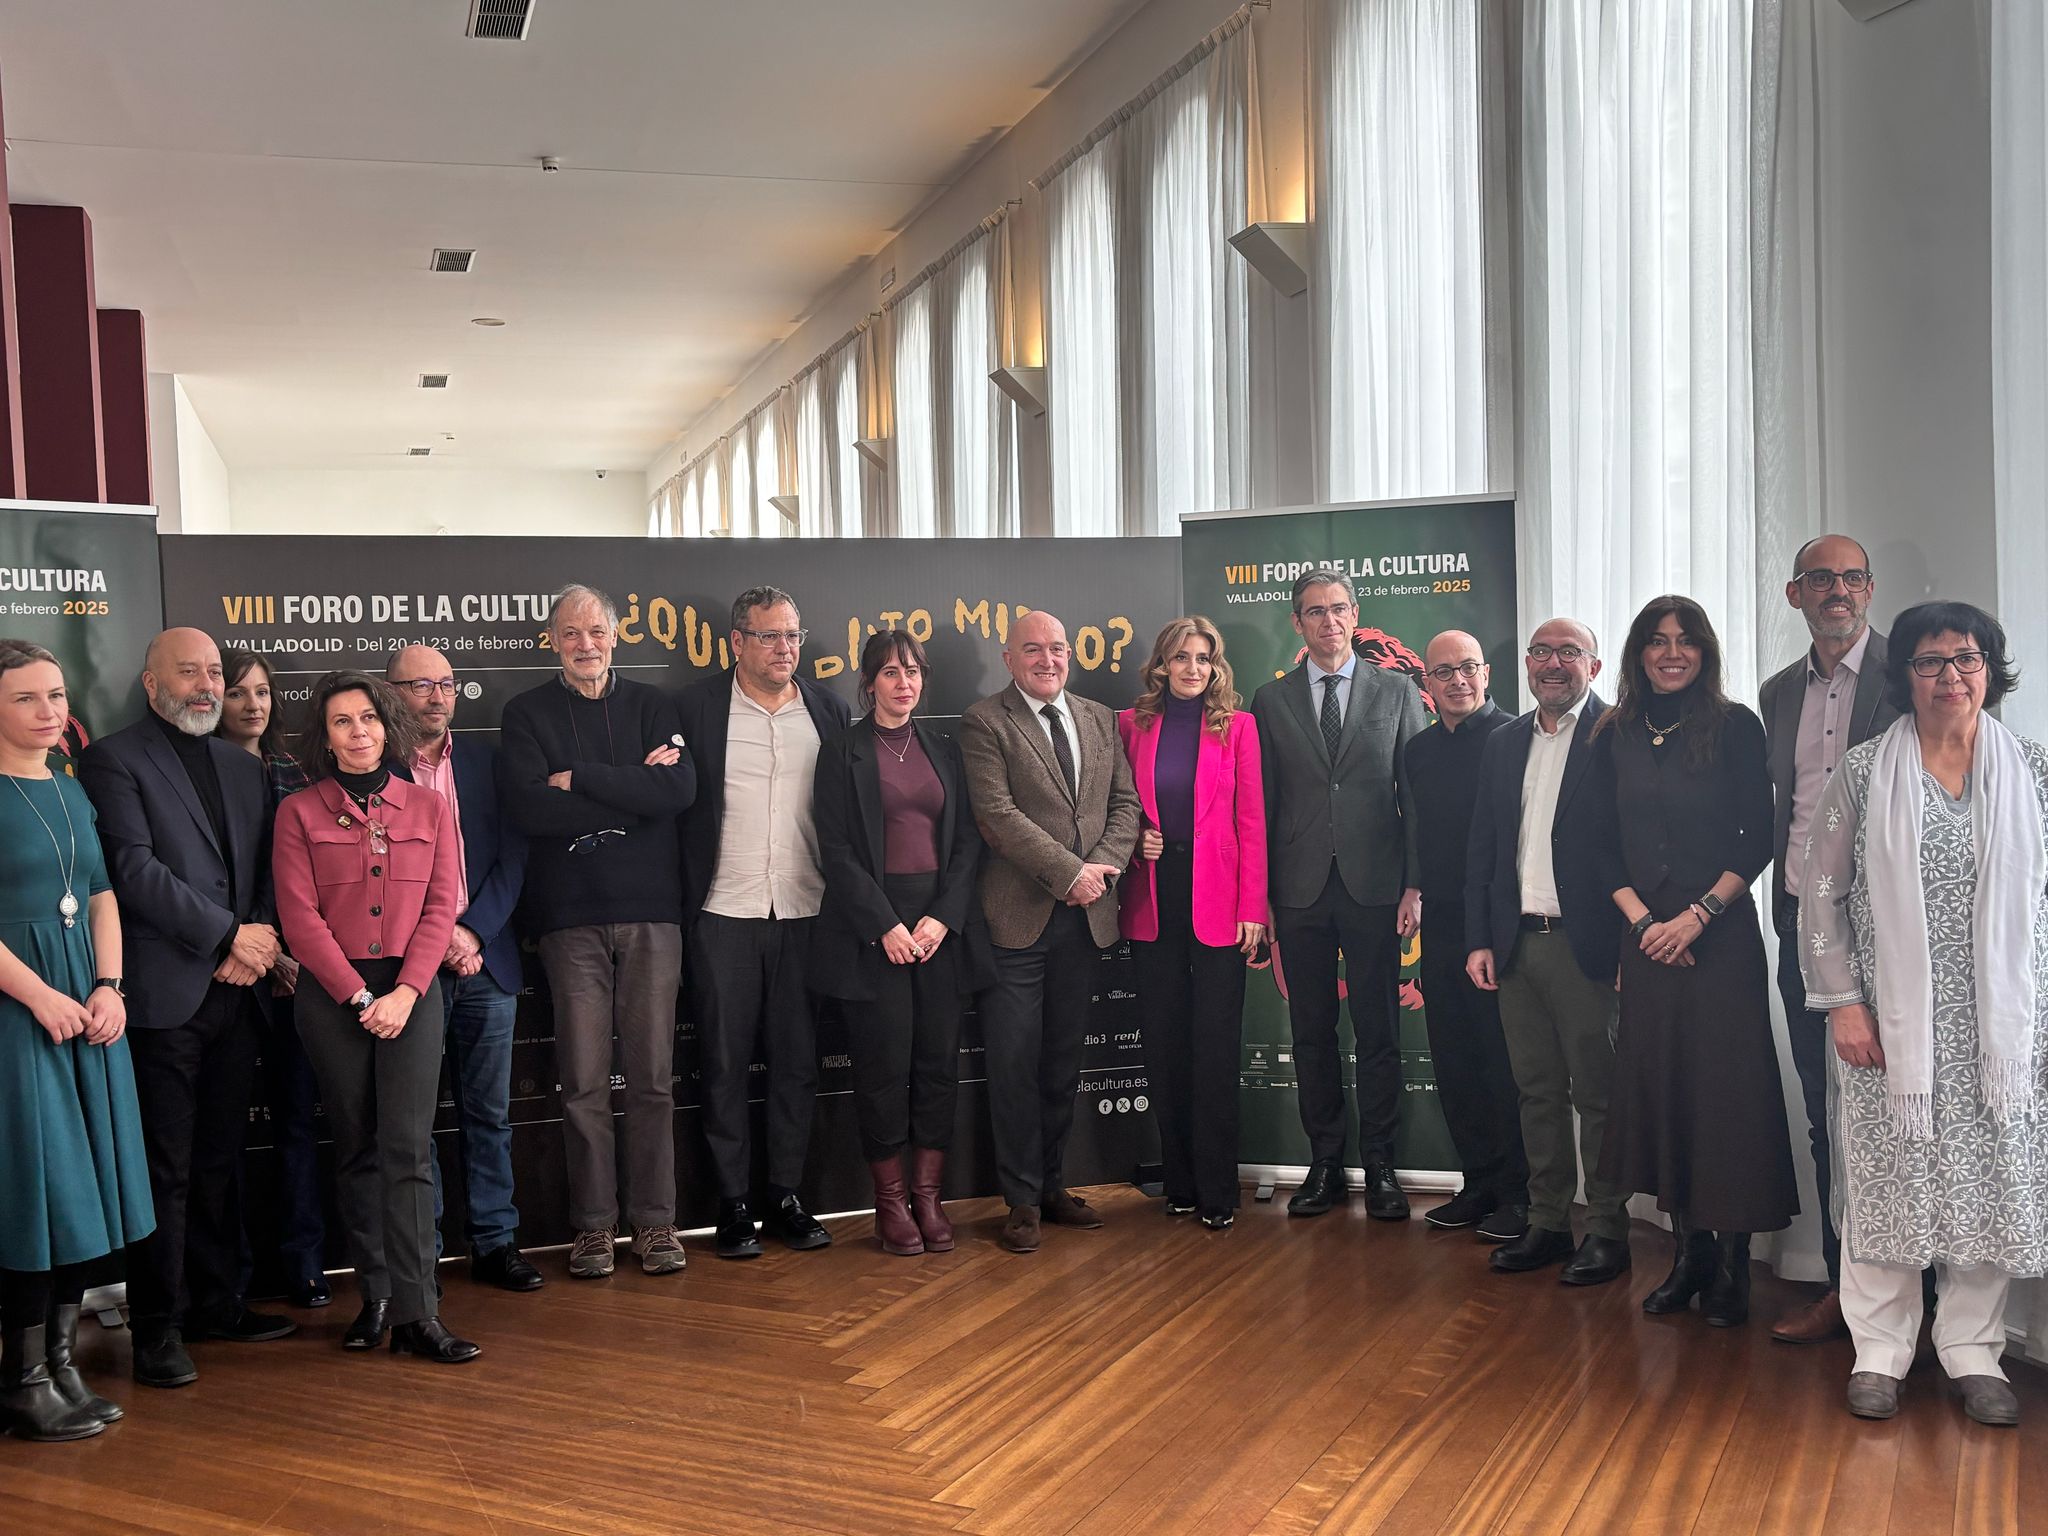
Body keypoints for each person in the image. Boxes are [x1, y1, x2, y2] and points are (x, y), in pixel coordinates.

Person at [1801, 601, 2048, 1427]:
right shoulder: (1864, 773)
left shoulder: (2034, 772)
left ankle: (1974, 1350)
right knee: (1888, 1180)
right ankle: (1880, 1350)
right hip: (1889, 1030)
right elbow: (1820, 896)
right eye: (1930, 662)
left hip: (1999, 1035)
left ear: (1991, 669)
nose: (1950, 677)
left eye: (1967, 659)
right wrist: (1842, 1004)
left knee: (1987, 1183)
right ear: (1903, 677)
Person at [79, 629, 296, 1391]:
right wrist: (230, 935)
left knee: (218, 1163)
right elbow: (132, 870)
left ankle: (217, 1305)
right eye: (189, 672)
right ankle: (157, 1331)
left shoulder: (243, 766)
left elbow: (270, 866)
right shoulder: (112, 758)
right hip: (164, 998)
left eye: (214, 673)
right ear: (150, 682)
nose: (206, 686)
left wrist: (257, 943)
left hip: (238, 993)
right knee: (164, 1171)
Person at [1593, 597, 1796, 1326]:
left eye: (1685, 641)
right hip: (1645, 940)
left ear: (1705, 652)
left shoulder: (1736, 725)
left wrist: (1696, 917)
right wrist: (1647, 923)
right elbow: (1594, 844)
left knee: (1726, 1098)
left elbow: (1758, 836)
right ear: (1637, 652)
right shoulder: (1611, 732)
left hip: (1718, 937)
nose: (1670, 653)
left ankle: (1733, 1263)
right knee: (1664, 1090)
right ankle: (1689, 1256)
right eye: (1656, 641)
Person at [273, 670, 477, 1363]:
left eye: (367, 719)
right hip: (335, 999)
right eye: (342, 722)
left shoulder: (429, 808)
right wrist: (360, 999)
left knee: (408, 1151)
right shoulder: (297, 813)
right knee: (357, 1147)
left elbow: (440, 906)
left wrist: (405, 993)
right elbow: (298, 921)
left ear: (386, 727)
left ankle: (421, 1313)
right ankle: (377, 1297)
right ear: (324, 738)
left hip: (411, 992)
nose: (358, 732)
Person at [500, 585, 696, 1279]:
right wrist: (628, 791)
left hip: (652, 914)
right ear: (551, 641)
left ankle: (656, 1225)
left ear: (616, 636)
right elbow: (529, 810)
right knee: (581, 1081)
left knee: (651, 1079)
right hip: (568, 921)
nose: (586, 644)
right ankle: (591, 1230)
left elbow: (675, 794)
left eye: (597, 631)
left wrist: (577, 779)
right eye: (571, 633)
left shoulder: (654, 706)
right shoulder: (524, 715)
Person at [0, 640, 153, 1442]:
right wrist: (40, 997)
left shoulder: (66, 787)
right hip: (18, 1012)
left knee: (84, 1189)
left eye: (56, 695)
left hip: (85, 1005)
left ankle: (60, 1365)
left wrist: (108, 987)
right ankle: (22, 1378)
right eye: (28, 697)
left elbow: (99, 895)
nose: (51, 710)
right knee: (37, 1191)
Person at [1247, 570, 1426, 1220]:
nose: (1328, 622)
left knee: (1378, 1033)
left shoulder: (1399, 691)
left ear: (1356, 615)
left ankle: (1380, 1164)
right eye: (1314, 612)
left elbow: (1416, 798)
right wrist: (1260, 896)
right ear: (1298, 623)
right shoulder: (1271, 701)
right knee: (1312, 1032)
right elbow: (1261, 805)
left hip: (1377, 886)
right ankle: (1325, 1164)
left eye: (1338, 610)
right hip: (1298, 891)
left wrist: (1414, 883)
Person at [961, 608, 1140, 1254]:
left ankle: (1053, 1186)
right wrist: (1069, 873)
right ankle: (1020, 1200)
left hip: (1085, 923)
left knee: (1063, 1064)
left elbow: (1126, 805)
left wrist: (1104, 869)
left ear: (1072, 654)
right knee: (1013, 1068)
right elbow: (997, 817)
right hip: (1018, 924)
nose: (1047, 660)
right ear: (1008, 659)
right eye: (1032, 650)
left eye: (1057, 648)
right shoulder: (986, 722)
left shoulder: (1099, 718)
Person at [812, 631, 992, 1255]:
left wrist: (943, 917)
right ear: (868, 683)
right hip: (873, 931)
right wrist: (882, 924)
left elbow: (968, 841)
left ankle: (928, 1198)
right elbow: (833, 849)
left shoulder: (944, 747)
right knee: (884, 1068)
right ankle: (890, 1204)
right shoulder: (842, 750)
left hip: (938, 929)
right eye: (890, 672)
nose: (904, 682)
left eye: (912, 671)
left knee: (937, 1066)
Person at [1759, 536, 1896, 1344]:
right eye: (1820, 579)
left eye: (1849, 577)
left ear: (1869, 589)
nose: (1835, 591)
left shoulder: (1907, 676)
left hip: (1892, 928)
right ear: (1793, 594)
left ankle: (1927, 1307)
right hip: (1799, 924)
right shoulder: (1779, 693)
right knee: (1826, 1113)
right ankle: (1849, 1293)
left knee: (1910, 1112)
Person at [1465, 620, 1631, 1285]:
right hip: (1515, 945)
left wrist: (1630, 942)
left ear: (1594, 666)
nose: (1553, 663)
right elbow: (1483, 846)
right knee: (1536, 1092)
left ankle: (1611, 1231)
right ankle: (1549, 1222)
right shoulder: (1505, 741)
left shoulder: (1617, 735)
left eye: (1569, 653)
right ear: (1526, 666)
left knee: (1598, 1095)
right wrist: (1480, 936)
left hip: (1587, 946)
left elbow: (1636, 846)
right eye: (1541, 652)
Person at [386, 646, 538, 1293]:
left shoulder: (487, 762)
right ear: (392, 694)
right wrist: (434, 941)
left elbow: (514, 857)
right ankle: (425, 1251)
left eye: (445, 683)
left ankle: (495, 1243)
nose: (436, 695)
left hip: (485, 960)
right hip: (406, 974)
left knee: (489, 1115)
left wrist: (471, 931)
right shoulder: (373, 771)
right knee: (413, 1121)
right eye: (420, 684)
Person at [1115, 617, 1267, 1230]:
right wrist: (1134, 845)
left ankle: (1217, 1191)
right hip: (1153, 899)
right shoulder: (1131, 725)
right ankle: (1177, 1183)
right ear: (1161, 664)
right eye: (1181, 657)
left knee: (1213, 1048)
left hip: (1221, 906)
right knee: (1165, 1047)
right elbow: (1113, 810)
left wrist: (1254, 908)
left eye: (1203, 658)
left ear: (1215, 667)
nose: (1192, 669)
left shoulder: (1239, 727)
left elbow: (1252, 821)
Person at [1403, 630, 1528, 1242]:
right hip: (1443, 920)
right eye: (1444, 672)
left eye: (1468, 669)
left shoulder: (1516, 739)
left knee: (1501, 1059)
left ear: (1488, 674)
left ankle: (1519, 1195)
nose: (1457, 681)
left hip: (1501, 920)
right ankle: (1476, 1183)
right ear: (1426, 684)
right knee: (1454, 1056)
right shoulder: (1419, 751)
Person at [215, 646, 328, 1309]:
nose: (252, 703)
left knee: (295, 1123)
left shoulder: (296, 771)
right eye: (238, 692)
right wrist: (252, 946)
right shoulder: (194, 773)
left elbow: (305, 880)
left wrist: (288, 952)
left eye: (261, 692)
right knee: (223, 1131)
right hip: (225, 968)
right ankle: (233, 1276)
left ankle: (304, 1264)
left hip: (293, 974)